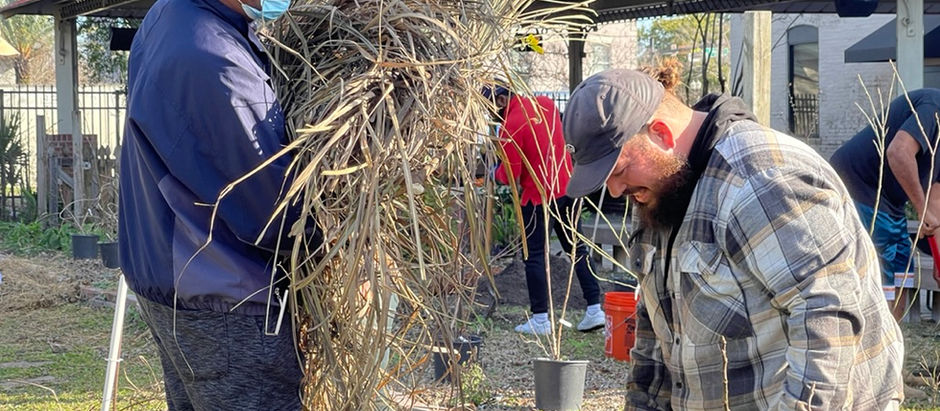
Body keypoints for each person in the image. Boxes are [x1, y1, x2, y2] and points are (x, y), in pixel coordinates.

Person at [562, 67, 904, 409]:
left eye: (619, 170)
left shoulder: (762, 180)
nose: (616, 190)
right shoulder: (666, 190)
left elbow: (827, 324)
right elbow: (657, 331)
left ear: (661, 135)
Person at [118, 0, 307, 408]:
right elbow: (280, 212)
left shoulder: (169, 17)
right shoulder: (215, 61)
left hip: (176, 285)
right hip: (227, 302)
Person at [483, 83, 604, 335]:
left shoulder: (510, 127)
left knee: (534, 256)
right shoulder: (545, 105)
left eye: (489, 106)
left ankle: (540, 319)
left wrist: (493, 171)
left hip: (537, 198)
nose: (490, 113)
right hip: (568, 188)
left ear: (502, 100)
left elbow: (510, 175)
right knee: (577, 249)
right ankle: (595, 309)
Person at [830, 88, 940, 322]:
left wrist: (939, 260)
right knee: (882, 269)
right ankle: (873, 347)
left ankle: (890, 341)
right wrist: (921, 210)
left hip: (888, 202)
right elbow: (898, 152)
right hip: (856, 184)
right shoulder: (934, 108)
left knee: (903, 271)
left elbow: (936, 203)